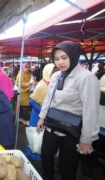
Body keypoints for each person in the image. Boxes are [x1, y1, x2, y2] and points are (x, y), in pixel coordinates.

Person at [37, 41, 100, 180]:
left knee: (67, 166)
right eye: (57, 59)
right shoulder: (56, 76)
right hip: (52, 125)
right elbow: (49, 98)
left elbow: (90, 110)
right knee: (46, 156)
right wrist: (42, 117)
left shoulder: (86, 78)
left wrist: (86, 139)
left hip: (71, 131)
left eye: (64, 57)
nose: (60, 62)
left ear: (74, 56)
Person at [24, 63, 56, 161]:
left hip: (46, 115)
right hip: (37, 116)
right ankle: (31, 157)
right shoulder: (42, 85)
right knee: (34, 135)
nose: (55, 74)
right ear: (47, 73)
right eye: (53, 72)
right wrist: (43, 110)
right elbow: (32, 101)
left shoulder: (52, 84)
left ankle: (39, 156)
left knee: (42, 137)